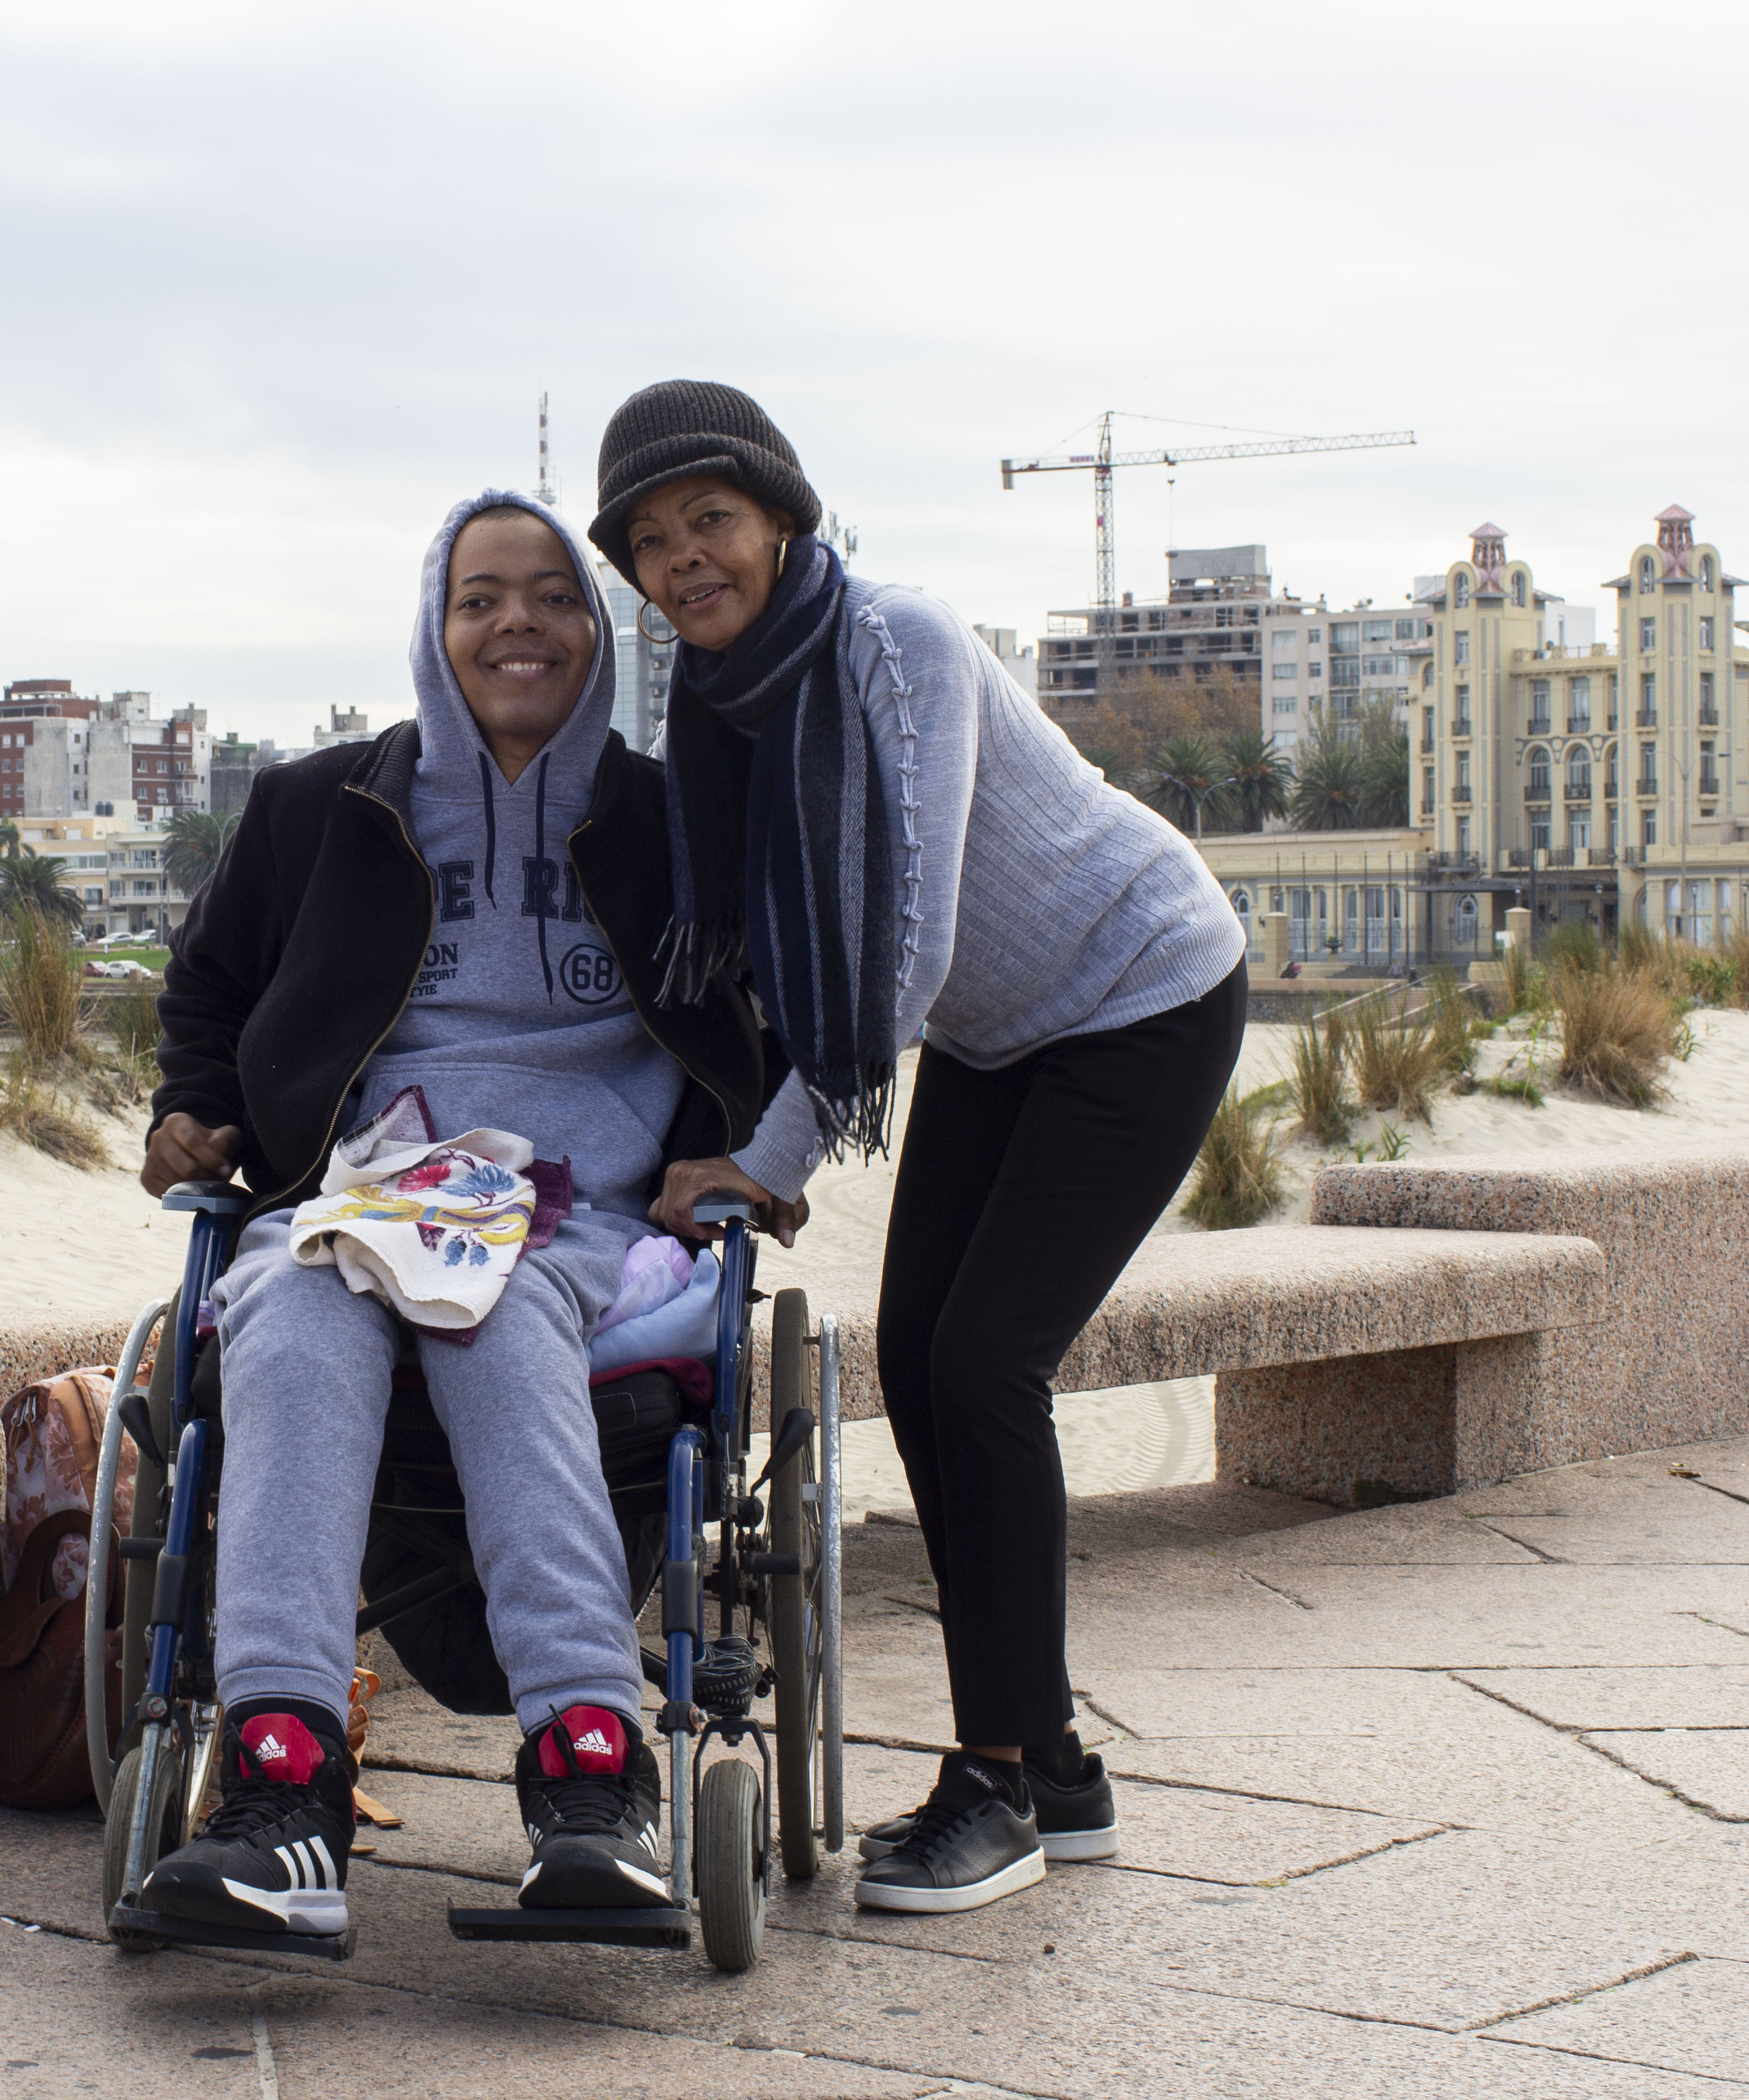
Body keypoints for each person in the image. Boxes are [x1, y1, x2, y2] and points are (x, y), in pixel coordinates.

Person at [595, 382, 1249, 1915]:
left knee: (980, 1368)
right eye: (651, 540)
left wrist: (772, 1158)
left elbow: (900, 939)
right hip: (1001, 1035)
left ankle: (1004, 1782)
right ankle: (1058, 1771)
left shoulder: (900, 646)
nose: (686, 560)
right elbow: (756, 956)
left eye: (713, 520)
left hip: (1144, 988)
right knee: (920, 1361)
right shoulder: (722, 702)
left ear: (781, 519)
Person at [131, 490, 779, 1943]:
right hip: (358, 1189)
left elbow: (768, 1013)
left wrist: (734, 1153)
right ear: (436, 628)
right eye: (481, 597)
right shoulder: (324, 807)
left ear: (599, 628)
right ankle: (283, 1786)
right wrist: (195, 1105)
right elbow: (209, 991)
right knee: (288, 1320)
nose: (518, 626)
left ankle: (589, 1773)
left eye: (553, 596)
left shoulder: (676, 819)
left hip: (570, 1206)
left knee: (496, 1322)